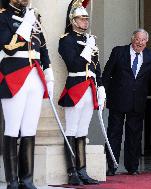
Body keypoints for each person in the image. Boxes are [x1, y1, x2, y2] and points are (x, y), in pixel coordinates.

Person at [0, 0, 54, 188]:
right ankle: (12, 181)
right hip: (15, 75)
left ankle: (27, 179)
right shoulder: (4, 17)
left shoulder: (33, 17)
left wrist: (49, 74)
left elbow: (43, 48)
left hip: (35, 76)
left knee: (30, 129)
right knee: (12, 128)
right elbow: (7, 46)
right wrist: (25, 25)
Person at [57, 0, 105, 185]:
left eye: (86, 18)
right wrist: (87, 48)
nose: (85, 21)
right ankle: (72, 171)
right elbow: (74, 63)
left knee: (82, 131)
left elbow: (96, 67)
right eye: (81, 18)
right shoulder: (66, 40)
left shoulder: (88, 39)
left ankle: (82, 170)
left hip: (90, 87)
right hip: (76, 85)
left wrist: (101, 87)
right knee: (71, 129)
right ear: (73, 21)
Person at [102, 29, 151, 176]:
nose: (139, 42)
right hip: (118, 99)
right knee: (114, 133)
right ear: (132, 38)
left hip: (137, 102)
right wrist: (102, 94)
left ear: (146, 42)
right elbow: (107, 74)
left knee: (134, 135)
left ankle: (132, 167)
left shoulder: (150, 55)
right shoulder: (118, 52)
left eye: (143, 40)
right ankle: (111, 166)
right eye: (137, 39)